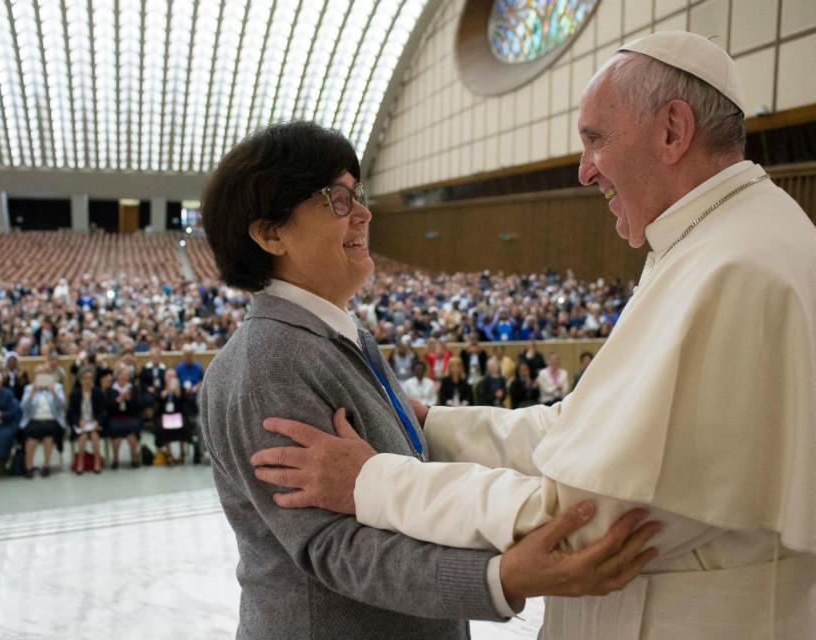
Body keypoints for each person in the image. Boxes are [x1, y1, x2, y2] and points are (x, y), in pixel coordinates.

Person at [249, 33, 816, 638]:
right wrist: (433, 426)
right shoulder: (722, 242)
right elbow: (580, 432)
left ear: (673, 131)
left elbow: (584, 522)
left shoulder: (735, 270)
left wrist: (373, 482)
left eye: (595, 139)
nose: (584, 169)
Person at [199, 121, 658, 640]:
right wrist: (498, 576)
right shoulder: (270, 364)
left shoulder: (338, 336)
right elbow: (333, 546)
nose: (364, 214)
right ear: (270, 233)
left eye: (358, 195)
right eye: (337, 200)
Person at [19, 364, 66, 478]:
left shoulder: (57, 387)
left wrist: (53, 392)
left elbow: (62, 406)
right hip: (34, 419)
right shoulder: (29, 388)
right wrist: (32, 393)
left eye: (45, 374)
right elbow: (24, 408)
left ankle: (46, 465)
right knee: (30, 434)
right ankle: (29, 466)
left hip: (51, 419)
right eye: (39, 375)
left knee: (48, 433)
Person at [66, 365, 105, 474]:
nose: (87, 381)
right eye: (85, 378)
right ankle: (80, 462)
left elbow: (102, 411)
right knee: (83, 436)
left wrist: (97, 421)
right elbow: (71, 413)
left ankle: (97, 461)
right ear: (80, 380)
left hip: (94, 423)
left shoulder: (98, 393)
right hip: (81, 423)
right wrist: (78, 421)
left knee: (94, 435)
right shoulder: (75, 394)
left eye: (90, 378)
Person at [104, 364, 142, 469]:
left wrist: (129, 400)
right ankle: (116, 459)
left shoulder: (133, 388)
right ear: (117, 376)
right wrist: (117, 400)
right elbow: (107, 407)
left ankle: (133, 459)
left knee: (132, 432)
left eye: (127, 375)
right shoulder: (110, 389)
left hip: (131, 416)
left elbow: (139, 406)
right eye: (122, 375)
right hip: (115, 417)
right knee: (116, 430)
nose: (124, 377)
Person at [155, 368, 189, 464]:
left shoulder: (181, 389)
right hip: (165, 416)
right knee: (162, 426)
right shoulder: (160, 388)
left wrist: (178, 394)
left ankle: (182, 453)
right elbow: (157, 403)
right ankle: (169, 454)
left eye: (173, 376)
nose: (171, 378)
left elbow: (185, 404)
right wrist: (164, 394)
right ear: (164, 378)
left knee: (184, 424)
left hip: (178, 415)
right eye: (168, 376)